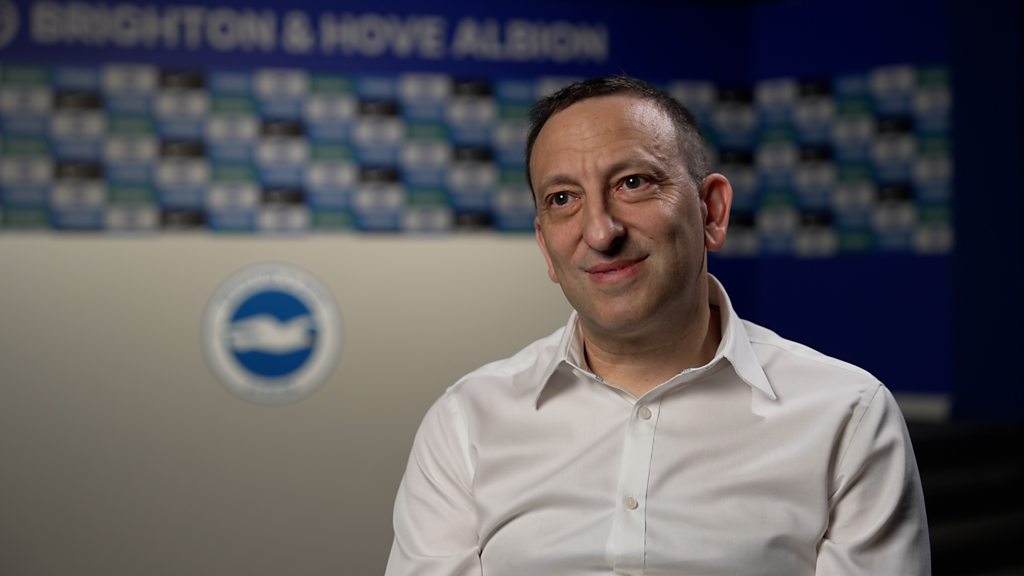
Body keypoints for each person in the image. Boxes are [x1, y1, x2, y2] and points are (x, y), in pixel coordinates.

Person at [385, 75, 930, 575]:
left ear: (712, 211)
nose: (601, 232)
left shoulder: (847, 418)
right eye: (563, 199)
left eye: (632, 182)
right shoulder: (465, 424)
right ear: (546, 248)